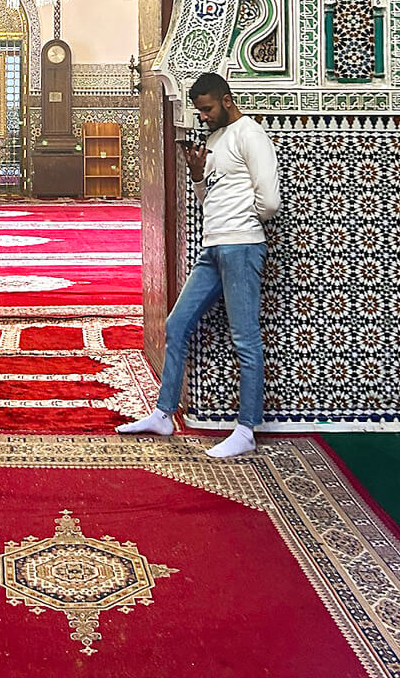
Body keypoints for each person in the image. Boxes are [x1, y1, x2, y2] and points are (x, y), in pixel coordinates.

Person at [117, 71, 279, 458]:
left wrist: (243, 222)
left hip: (241, 248)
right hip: (213, 248)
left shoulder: (251, 135)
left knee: (245, 338)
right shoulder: (214, 140)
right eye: (198, 110)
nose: (202, 117)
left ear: (226, 100)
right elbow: (210, 201)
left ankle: (246, 429)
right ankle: (162, 413)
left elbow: (269, 201)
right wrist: (197, 177)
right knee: (176, 324)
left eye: (207, 109)